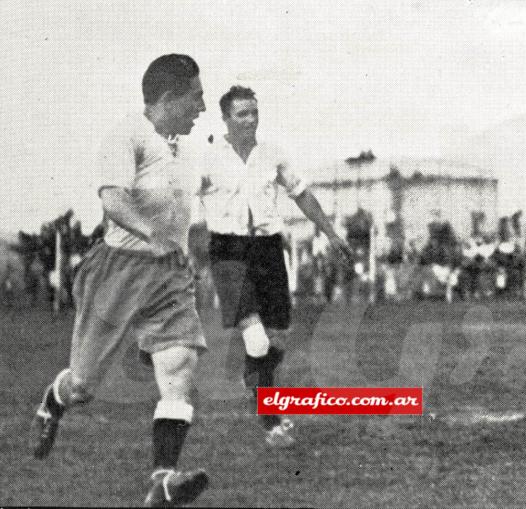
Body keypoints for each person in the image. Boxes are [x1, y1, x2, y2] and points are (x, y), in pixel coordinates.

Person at [31, 54, 212, 506]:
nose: (202, 107)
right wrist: (152, 234)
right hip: (119, 269)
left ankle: (163, 479)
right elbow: (112, 199)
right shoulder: (127, 134)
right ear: (169, 98)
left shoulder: (186, 151)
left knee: (179, 366)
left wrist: (185, 251)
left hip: (169, 275)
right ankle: (54, 400)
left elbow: (182, 214)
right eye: (196, 96)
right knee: (84, 387)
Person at [200, 85, 352, 447]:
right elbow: (177, 199)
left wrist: (330, 232)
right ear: (225, 119)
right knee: (255, 338)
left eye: (254, 112)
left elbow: (301, 194)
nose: (250, 120)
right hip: (228, 250)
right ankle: (271, 421)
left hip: (268, 249)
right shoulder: (207, 158)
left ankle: (253, 376)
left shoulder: (272, 154)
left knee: (277, 340)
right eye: (242, 114)